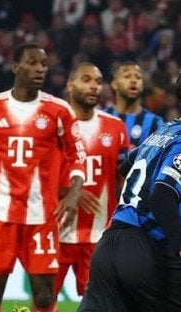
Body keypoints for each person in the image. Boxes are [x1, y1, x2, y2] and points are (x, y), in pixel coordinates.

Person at [79, 58, 181, 312]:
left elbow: (128, 167)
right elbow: (162, 194)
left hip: (109, 247)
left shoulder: (162, 133)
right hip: (150, 251)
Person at [0, 43, 91, 312]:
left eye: (43, 64)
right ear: (15, 67)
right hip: (0, 218)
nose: (40, 69)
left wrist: (74, 192)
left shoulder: (59, 110)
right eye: (32, 63)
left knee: (44, 297)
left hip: (41, 218)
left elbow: (78, 156)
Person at [54, 63, 130, 297]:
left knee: (98, 303)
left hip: (99, 236)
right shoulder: (54, 125)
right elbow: (36, 175)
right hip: (54, 232)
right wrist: (69, 191)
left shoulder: (115, 127)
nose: (94, 86)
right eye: (86, 80)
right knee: (44, 300)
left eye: (98, 82)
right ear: (70, 85)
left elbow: (124, 180)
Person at [105, 61, 165, 147]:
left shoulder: (155, 123)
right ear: (114, 84)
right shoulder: (100, 119)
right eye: (127, 76)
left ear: (142, 85)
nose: (133, 81)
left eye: (138, 77)